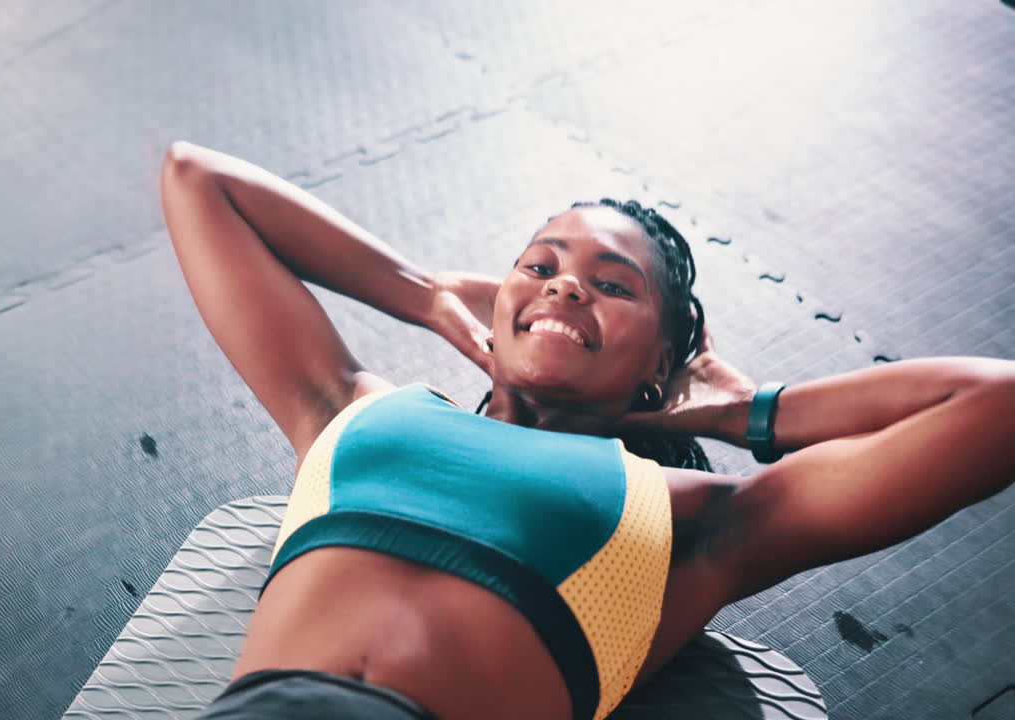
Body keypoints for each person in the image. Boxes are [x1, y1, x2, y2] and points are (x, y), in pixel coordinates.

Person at [160, 140, 1014, 720]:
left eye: (613, 285)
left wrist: (741, 410)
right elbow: (198, 178)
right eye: (540, 266)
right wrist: (426, 293)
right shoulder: (352, 408)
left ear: (661, 362)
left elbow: (998, 405)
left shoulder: (698, 520)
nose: (565, 287)